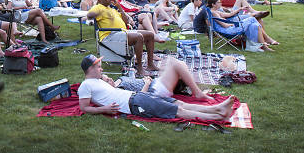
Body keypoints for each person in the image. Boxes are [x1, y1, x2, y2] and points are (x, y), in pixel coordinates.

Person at [78, 54, 235, 121]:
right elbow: (84, 107)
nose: (102, 69)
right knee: (178, 111)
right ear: (90, 69)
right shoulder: (85, 85)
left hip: (137, 96)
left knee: (179, 104)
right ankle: (218, 116)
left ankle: (217, 108)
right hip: (134, 103)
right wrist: (103, 109)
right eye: (99, 67)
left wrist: (105, 78)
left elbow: (106, 85)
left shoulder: (97, 80)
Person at [86, 0, 159, 75]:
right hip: (110, 35)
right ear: (101, 0)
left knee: (150, 35)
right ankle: (140, 69)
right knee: (138, 37)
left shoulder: (112, 9)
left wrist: (119, 6)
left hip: (122, 32)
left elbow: (126, 21)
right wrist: (97, 13)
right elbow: (89, 15)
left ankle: (150, 64)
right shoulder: (99, 7)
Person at [207, 0, 277, 51]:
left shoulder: (215, 11)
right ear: (213, 4)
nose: (221, 3)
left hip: (230, 27)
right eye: (219, 2)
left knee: (254, 24)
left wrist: (240, 9)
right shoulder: (214, 13)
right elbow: (225, 25)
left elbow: (229, 15)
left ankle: (264, 44)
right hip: (229, 30)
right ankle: (265, 41)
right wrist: (235, 23)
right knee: (252, 19)